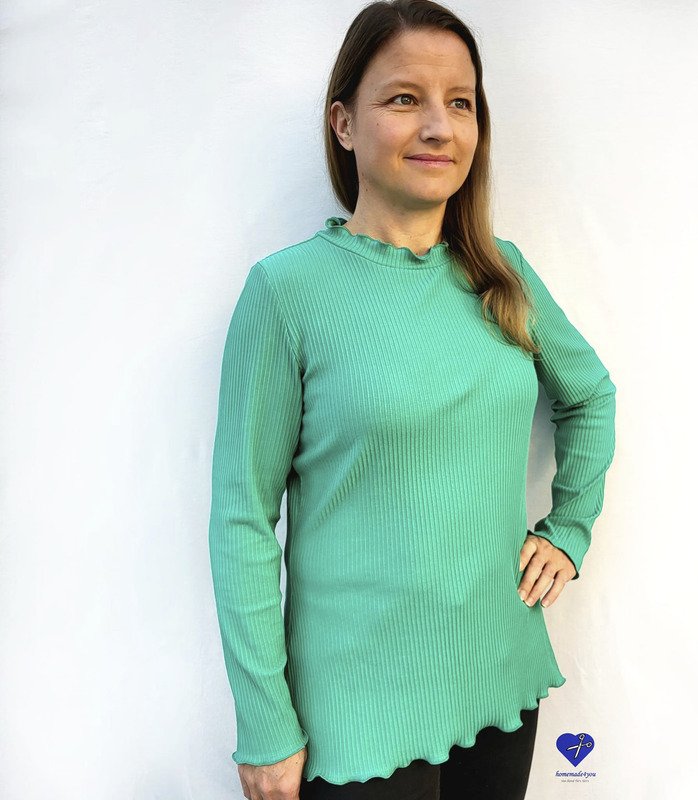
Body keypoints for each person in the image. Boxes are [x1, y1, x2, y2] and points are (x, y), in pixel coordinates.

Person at [208, 1, 617, 798]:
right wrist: (264, 722)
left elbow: (590, 396)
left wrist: (569, 528)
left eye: (459, 102)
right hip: (355, 711)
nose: (438, 126)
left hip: (498, 673)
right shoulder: (288, 293)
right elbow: (242, 518)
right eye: (404, 98)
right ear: (343, 123)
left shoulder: (502, 273)